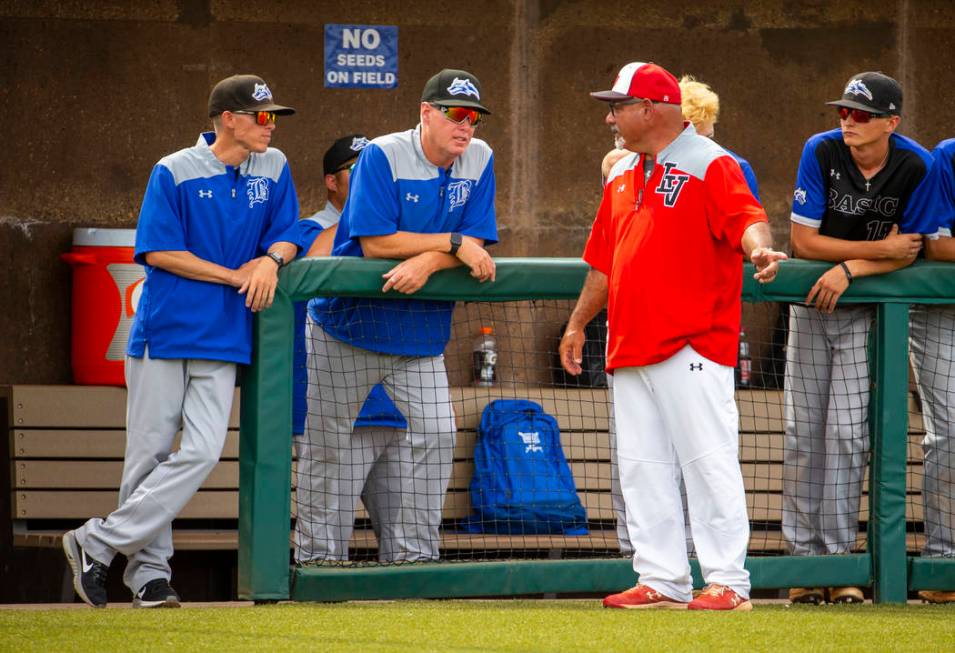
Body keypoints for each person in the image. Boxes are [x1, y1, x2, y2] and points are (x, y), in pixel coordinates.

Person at [62, 74, 300, 607]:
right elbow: (159, 250)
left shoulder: (276, 165)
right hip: (164, 332)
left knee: (202, 451)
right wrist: (236, 275)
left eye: (273, 118)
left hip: (225, 336)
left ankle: (95, 542)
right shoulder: (173, 168)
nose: (271, 127)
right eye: (262, 117)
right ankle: (149, 577)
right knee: (146, 457)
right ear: (229, 119)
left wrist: (270, 259)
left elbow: (290, 229)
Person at [560, 61, 786, 611]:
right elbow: (603, 262)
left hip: (693, 340)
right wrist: (577, 322)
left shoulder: (714, 163)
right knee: (641, 467)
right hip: (629, 341)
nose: (610, 116)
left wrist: (758, 248)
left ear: (650, 109)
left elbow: (747, 218)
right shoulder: (620, 173)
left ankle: (729, 582)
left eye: (618, 106)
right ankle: (661, 578)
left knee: (708, 461)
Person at [296, 69, 497, 563]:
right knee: (327, 446)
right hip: (348, 327)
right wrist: (451, 244)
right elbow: (375, 242)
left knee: (437, 432)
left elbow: (480, 240)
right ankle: (318, 560)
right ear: (426, 113)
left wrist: (433, 259)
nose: (466, 126)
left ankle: (414, 559)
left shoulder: (481, 157)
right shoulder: (383, 154)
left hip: (419, 334)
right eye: (454, 114)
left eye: (473, 116)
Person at [783, 72, 941, 605]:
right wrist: (869, 257)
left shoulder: (915, 163)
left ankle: (842, 561)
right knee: (805, 435)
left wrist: (850, 265)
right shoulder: (821, 150)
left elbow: (913, 249)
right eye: (844, 111)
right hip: (811, 304)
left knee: (848, 436)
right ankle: (803, 564)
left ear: (891, 122)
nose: (848, 120)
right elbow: (803, 242)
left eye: (862, 114)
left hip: (868, 309)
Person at [292, 134, 411, 563]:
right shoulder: (309, 228)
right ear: (330, 181)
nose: (365, 179)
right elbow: (311, 264)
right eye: (354, 172)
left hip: (397, 412)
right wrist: (367, 217)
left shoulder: (397, 229)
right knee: (327, 549)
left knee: (408, 548)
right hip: (339, 414)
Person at [908, 137, 955, 603]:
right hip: (942, 307)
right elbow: (937, 246)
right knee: (952, 432)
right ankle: (944, 563)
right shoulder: (948, 154)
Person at [678, 75, 760, 200]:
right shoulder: (646, 163)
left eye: (708, 138)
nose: (705, 147)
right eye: (695, 141)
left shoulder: (737, 167)